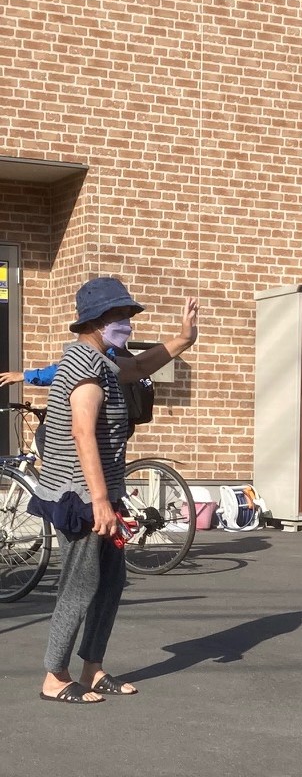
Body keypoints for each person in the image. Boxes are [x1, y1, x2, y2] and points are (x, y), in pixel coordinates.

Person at [31, 277, 198, 704]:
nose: (127, 322)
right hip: (82, 497)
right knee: (80, 584)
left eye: (127, 314)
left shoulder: (103, 360)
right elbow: (82, 432)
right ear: (95, 321)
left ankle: (92, 667)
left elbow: (139, 368)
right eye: (120, 315)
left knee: (110, 582)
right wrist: (101, 502)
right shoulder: (83, 366)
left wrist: (182, 339)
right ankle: (55, 676)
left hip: (103, 492)